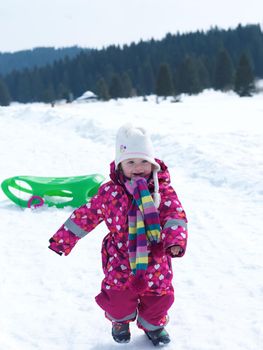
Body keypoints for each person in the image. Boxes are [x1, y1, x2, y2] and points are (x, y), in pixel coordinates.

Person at [49, 124, 188, 346]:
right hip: (120, 258)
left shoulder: (161, 192)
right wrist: (63, 239)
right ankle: (120, 321)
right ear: (119, 165)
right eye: (130, 162)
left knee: (158, 298)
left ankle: (153, 325)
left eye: (144, 161)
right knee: (117, 297)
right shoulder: (110, 193)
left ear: (153, 164)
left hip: (156, 258)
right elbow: (86, 215)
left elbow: (174, 216)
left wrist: (175, 241)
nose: (138, 167)